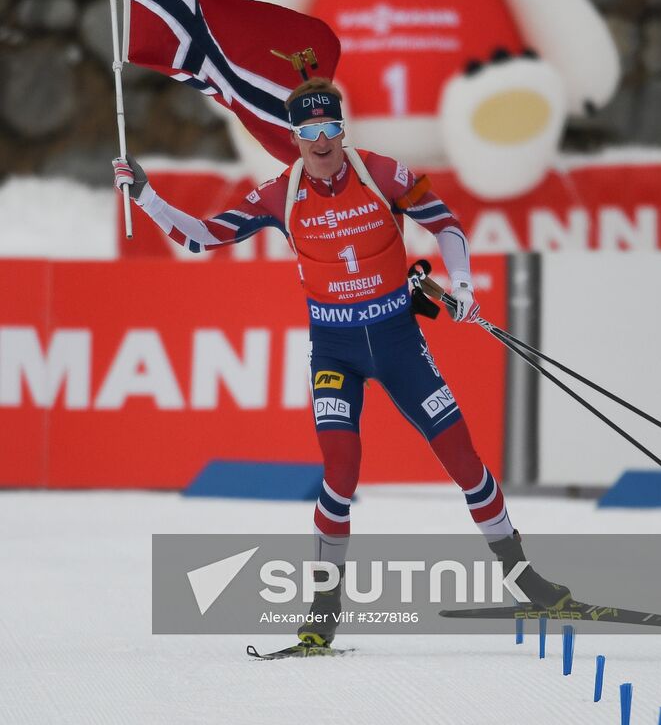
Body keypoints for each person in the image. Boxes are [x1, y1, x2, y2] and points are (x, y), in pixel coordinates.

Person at [113, 76, 569, 649]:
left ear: (342, 128)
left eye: (329, 128)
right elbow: (205, 237)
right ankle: (325, 605)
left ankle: (522, 576)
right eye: (308, 131)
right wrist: (147, 197)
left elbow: (446, 223)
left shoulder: (384, 173)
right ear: (296, 137)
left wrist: (463, 286)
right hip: (334, 350)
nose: (321, 141)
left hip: (399, 339)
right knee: (340, 468)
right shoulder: (282, 192)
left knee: (461, 455)